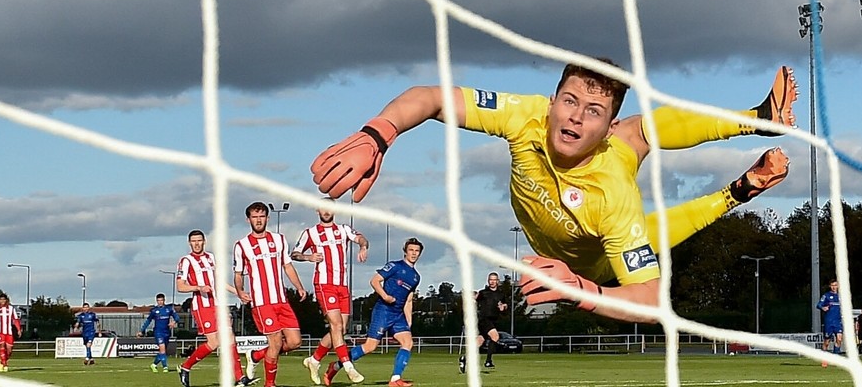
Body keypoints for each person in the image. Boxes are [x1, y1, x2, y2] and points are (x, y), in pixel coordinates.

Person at [311, 61, 795, 322]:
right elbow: (432, 97)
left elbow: (652, 300)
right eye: (569, 100)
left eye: (592, 111)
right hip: (583, 221)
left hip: (592, 264)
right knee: (640, 133)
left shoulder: (613, 192)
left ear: (604, 127)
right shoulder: (526, 114)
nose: (574, 117)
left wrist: (581, 290)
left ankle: (751, 138)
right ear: (552, 101)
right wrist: (378, 134)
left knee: (638, 169)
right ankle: (752, 148)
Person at [325, 238, 423, 387]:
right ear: (405, 251)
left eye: (416, 251)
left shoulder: (416, 277)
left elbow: (409, 300)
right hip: (383, 311)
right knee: (370, 346)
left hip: (398, 315)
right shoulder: (395, 266)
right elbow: (375, 281)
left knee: (408, 343)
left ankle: (395, 379)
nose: (413, 253)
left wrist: (408, 320)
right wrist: (385, 296)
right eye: (411, 250)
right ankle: (336, 366)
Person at [293, 201, 369, 385]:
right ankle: (348, 367)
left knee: (341, 329)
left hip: (342, 285)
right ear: (317, 210)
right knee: (335, 326)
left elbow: (360, 238)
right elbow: (294, 254)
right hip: (324, 284)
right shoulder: (310, 233)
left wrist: (363, 246)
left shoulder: (343, 229)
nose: (326, 211)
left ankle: (314, 360)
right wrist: (308, 257)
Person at [234, 201, 309, 387]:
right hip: (262, 302)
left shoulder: (279, 240)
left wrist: (299, 286)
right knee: (275, 343)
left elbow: (287, 265)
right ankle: (270, 384)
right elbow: (238, 274)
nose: (258, 220)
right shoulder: (242, 246)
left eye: (261, 217)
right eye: (254, 217)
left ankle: (257, 354)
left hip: (281, 301)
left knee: (295, 342)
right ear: (248, 219)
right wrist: (240, 291)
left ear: (267, 218)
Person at [176, 229, 258, 387]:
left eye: (199, 240)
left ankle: (240, 378)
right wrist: (199, 287)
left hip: (219, 305)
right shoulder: (186, 261)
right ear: (189, 243)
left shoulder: (211, 258)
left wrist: (238, 292)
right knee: (213, 343)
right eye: (193, 241)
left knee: (230, 338)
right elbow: (180, 286)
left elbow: (218, 281)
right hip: (202, 306)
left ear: (204, 241)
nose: (197, 244)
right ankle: (185, 367)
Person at [459, 272, 507, 373]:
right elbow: (474, 298)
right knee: (495, 337)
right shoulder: (484, 293)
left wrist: (503, 307)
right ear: (488, 281)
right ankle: (488, 361)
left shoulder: (501, 294)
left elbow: (504, 305)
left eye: (494, 280)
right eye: (490, 280)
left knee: (478, 342)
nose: (492, 282)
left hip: (493, 320)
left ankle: (464, 359)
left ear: (497, 281)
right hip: (484, 320)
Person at [138, 292, 180, 372]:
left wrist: (174, 322)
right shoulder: (154, 311)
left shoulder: (169, 309)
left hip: (166, 332)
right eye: (158, 300)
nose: (160, 302)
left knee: (162, 352)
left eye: (161, 300)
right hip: (158, 332)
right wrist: (142, 330)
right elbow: (148, 321)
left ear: (164, 300)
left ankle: (154, 365)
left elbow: (177, 317)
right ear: (156, 301)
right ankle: (165, 367)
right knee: (162, 350)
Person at [0, 292, 23, 372]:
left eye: (4, 299)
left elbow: (15, 320)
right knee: (2, 347)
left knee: (9, 349)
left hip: (9, 332)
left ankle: (1, 361)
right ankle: (4, 364)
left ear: (6, 300)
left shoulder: (11, 309)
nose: (2, 301)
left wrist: (19, 329)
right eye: (1, 299)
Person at [816, 279, 843, 367]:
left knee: (839, 339)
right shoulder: (826, 296)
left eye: (835, 285)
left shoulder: (841, 296)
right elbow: (818, 305)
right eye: (832, 285)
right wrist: (823, 308)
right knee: (826, 342)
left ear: (838, 286)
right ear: (830, 286)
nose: (834, 287)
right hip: (829, 322)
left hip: (838, 321)